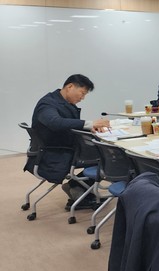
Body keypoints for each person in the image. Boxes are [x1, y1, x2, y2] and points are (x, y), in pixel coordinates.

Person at [31, 74, 111, 202]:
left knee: (102, 151)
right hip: (54, 153)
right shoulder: (47, 103)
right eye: (82, 93)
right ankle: (77, 187)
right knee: (108, 155)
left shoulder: (62, 102)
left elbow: (68, 124)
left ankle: (77, 187)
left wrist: (90, 127)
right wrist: (90, 123)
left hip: (61, 147)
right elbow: (55, 122)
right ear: (70, 87)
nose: (82, 98)